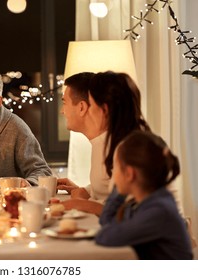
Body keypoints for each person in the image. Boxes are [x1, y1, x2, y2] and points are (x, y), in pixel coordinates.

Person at [58, 72, 150, 215]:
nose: (61, 111)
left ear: (103, 109)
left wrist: (81, 203)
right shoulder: (105, 143)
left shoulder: (124, 149)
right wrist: (85, 191)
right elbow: (110, 191)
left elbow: (131, 210)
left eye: (92, 104)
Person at [95, 131, 192, 259]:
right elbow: (106, 221)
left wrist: (118, 186)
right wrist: (120, 188)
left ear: (129, 174)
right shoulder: (142, 204)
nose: (113, 173)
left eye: (116, 167)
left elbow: (106, 236)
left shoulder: (158, 211)